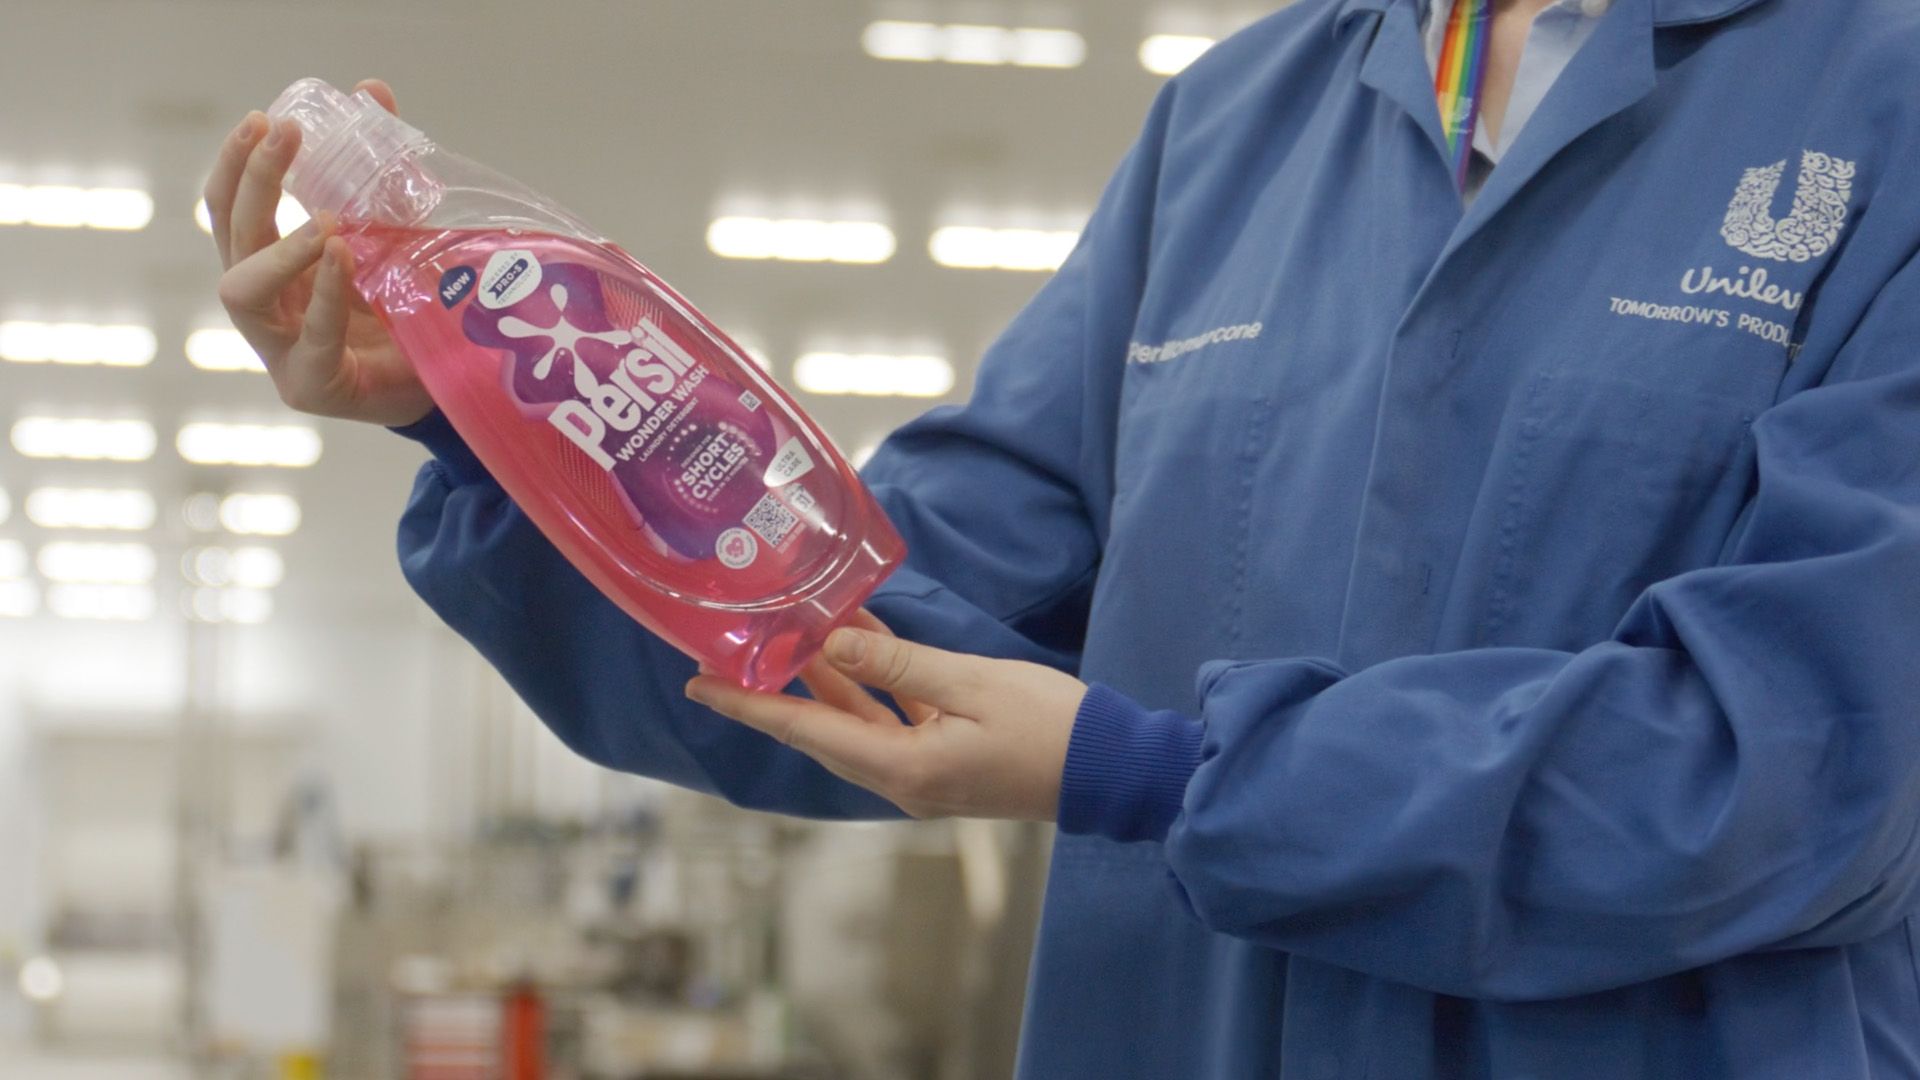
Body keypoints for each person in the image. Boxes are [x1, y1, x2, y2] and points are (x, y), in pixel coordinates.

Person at [206, 0, 1920, 1074]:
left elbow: (1798, 762)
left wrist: (1170, 778)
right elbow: (866, 623)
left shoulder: (1877, 97)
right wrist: (498, 413)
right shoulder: (1237, 126)